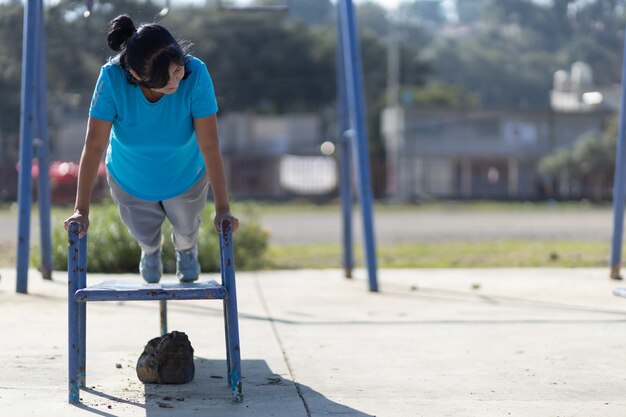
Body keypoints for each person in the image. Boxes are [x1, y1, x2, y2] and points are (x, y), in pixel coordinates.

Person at [64, 14, 238, 283]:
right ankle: (150, 250)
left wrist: (223, 208)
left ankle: (186, 250)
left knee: (186, 226)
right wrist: (81, 211)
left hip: (185, 175)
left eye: (177, 70)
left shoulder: (196, 73)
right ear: (135, 75)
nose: (174, 82)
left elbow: (210, 143)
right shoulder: (111, 79)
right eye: (163, 79)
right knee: (144, 232)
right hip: (130, 177)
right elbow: (94, 145)